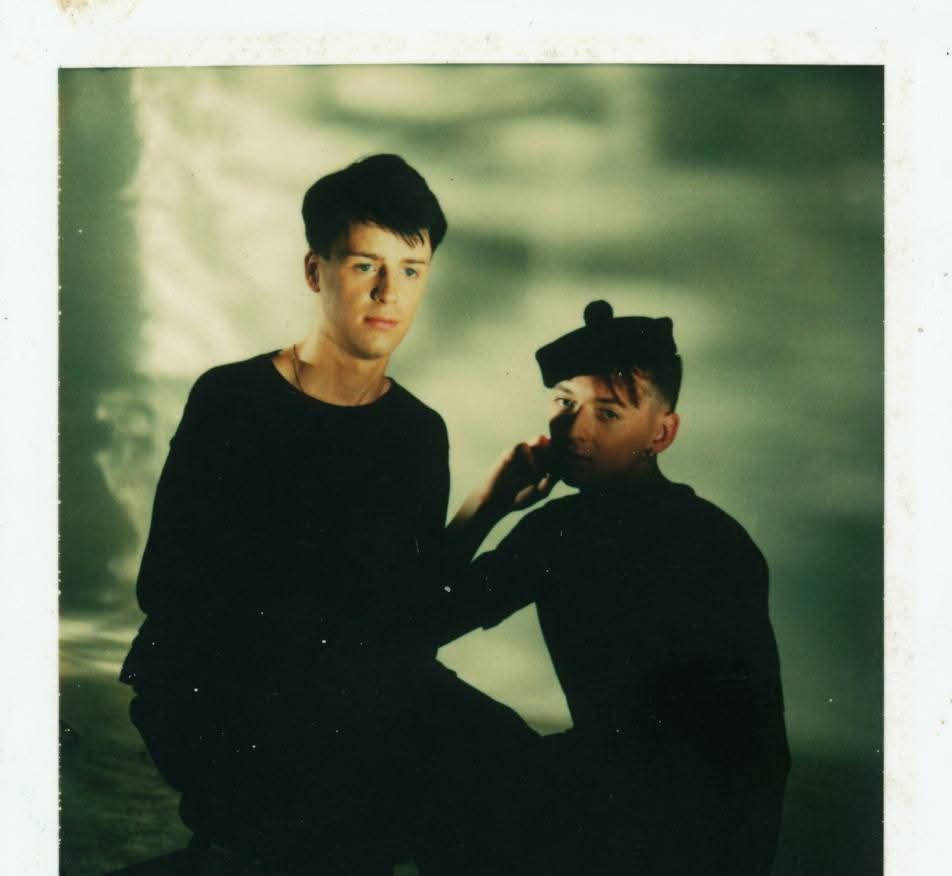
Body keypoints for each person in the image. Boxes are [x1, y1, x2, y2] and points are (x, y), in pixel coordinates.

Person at [119, 154, 543, 875]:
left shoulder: (417, 431)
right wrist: (347, 659)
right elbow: (169, 589)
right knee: (354, 808)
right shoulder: (233, 401)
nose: (388, 293)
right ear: (315, 271)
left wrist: (488, 504)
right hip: (219, 690)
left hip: (349, 690)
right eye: (364, 265)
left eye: (411, 270)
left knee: (511, 761)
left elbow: (409, 614)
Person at [438, 299, 791, 875]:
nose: (574, 430)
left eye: (607, 413)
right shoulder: (558, 531)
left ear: (662, 432)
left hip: (670, 829)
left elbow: (755, 752)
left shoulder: (715, 544)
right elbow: (421, 622)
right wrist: (489, 502)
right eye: (564, 403)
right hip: (607, 799)